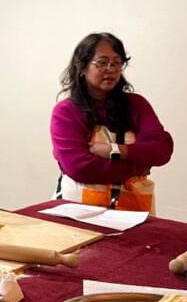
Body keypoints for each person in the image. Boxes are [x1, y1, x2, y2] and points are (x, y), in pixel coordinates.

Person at [51, 32, 173, 212]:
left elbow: (162, 149)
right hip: (80, 212)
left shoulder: (136, 104)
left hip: (134, 212)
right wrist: (138, 165)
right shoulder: (66, 111)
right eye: (102, 63)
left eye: (117, 63)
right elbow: (80, 168)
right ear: (82, 67)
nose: (111, 69)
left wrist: (115, 150)